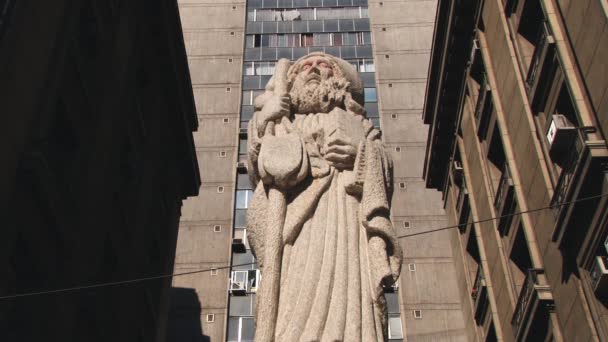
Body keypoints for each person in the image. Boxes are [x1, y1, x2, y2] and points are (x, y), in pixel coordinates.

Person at [246, 52, 402, 342]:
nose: (314, 69)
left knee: (353, 302)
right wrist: (265, 117)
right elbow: (257, 167)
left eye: (324, 65)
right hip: (295, 226)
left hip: (345, 218)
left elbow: (385, 168)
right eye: (306, 66)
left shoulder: (356, 123)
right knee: (288, 303)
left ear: (339, 81)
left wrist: (359, 152)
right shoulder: (281, 122)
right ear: (293, 83)